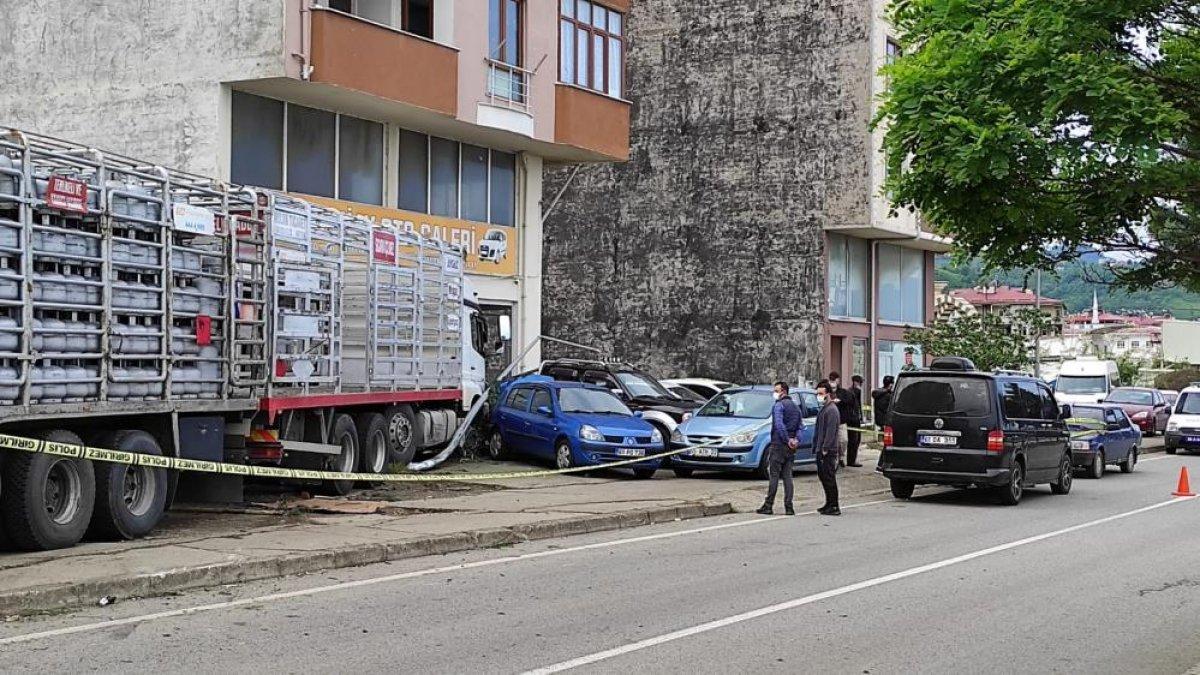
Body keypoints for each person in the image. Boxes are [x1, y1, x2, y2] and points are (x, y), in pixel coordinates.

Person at [756, 382, 804, 516]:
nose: (774, 393)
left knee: (774, 476)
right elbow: (801, 426)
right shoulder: (796, 407)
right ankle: (789, 506)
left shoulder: (779, 406)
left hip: (779, 445)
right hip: (790, 447)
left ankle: (768, 504)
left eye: (776, 390)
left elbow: (779, 425)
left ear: (783, 391)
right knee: (788, 476)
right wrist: (795, 440)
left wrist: (786, 439)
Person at [813, 380, 841, 515]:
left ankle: (834, 505)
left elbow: (831, 431)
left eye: (821, 393)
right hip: (821, 449)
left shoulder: (832, 410)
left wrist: (825, 448)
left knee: (829, 477)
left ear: (828, 394)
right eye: (817, 393)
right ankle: (829, 503)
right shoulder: (824, 408)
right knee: (823, 477)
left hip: (828, 451)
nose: (819, 396)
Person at [830, 371, 851, 468]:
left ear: (838, 381)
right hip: (830, 422)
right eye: (831, 380)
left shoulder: (842, 392)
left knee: (843, 440)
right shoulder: (827, 392)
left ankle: (841, 457)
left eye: (834, 380)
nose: (833, 382)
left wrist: (840, 400)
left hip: (841, 421)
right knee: (832, 442)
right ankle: (835, 459)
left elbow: (848, 401)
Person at [845, 375, 865, 467]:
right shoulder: (850, 392)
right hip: (852, 420)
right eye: (860, 383)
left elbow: (858, 405)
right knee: (853, 440)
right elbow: (851, 407)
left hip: (856, 419)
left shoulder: (857, 392)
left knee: (857, 440)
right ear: (855, 382)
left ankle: (853, 459)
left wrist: (861, 416)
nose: (860, 385)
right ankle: (851, 460)